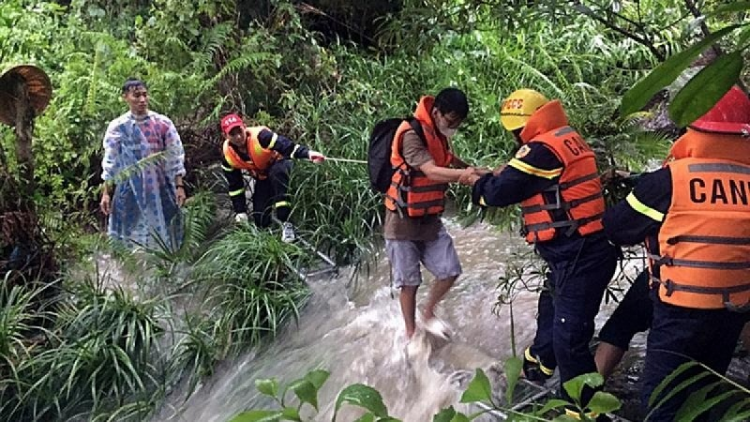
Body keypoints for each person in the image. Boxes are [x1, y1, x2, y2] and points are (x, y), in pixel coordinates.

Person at [466, 88, 617, 418]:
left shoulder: (541, 150)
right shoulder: (564, 137)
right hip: (578, 250)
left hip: (580, 254)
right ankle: (539, 365)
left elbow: (496, 193)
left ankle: (583, 410)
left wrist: (476, 182)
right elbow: (523, 178)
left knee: (569, 338)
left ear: (522, 126)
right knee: (550, 307)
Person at [602, 85, 750, 421]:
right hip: (733, 312)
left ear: (692, 127)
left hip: (679, 310)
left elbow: (617, 228)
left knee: (662, 401)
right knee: (705, 392)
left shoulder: (669, 181)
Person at [383, 87, 478, 347]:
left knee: (449, 271)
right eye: (451, 121)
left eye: (458, 123)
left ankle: (428, 313)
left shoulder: (438, 134)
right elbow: (431, 171)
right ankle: (411, 333)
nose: (453, 127)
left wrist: (476, 171)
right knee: (409, 283)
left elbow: (447, 159)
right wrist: (464, 176)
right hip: (401, 221)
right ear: (436, 112)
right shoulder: (410, 134)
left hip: (430, 219)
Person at [100, 78, 187, 249]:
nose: (142, 100)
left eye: (145, 95)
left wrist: (179, 186)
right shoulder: (118, 127)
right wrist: (106, 193)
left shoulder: (162, 124)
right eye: (136, 95)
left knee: (168, 230)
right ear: (125, 97)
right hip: (129, 190)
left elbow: (174, 156)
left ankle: (167, 269)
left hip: (161, 187)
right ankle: (131, 271)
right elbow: (111, 163)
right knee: (128, 232)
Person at [219, 113, 325, 242]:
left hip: (280, 166)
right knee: (260, 218)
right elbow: (235, 186)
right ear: (225, 136)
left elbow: (286, 146)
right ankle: (269, 239)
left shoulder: (261, 136)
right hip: (263, 176)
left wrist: (308, 154)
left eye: (239, 131)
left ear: (244, 127)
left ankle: (287, 223)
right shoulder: (228, 156)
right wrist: (240, 211)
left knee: (277, 175)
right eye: (233, 134)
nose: (238, 136)